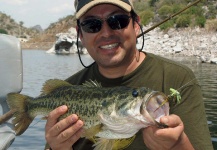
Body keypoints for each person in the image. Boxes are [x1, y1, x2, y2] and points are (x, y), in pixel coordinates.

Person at [45, 0, 213, 150]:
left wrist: (179, 146)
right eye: (92, 25)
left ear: (136, 24)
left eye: (117, 20)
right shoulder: (67, 91)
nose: (105, 33)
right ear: (80, 34)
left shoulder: (178, 78)